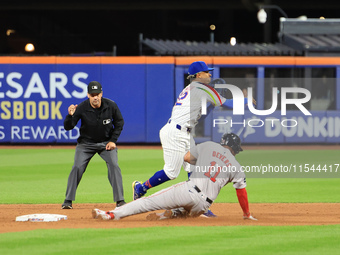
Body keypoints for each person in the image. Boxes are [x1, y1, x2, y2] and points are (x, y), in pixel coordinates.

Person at [132, 61, 253, 217]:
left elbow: (199, 118)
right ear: (198, 75)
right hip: (175, 132)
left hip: (184, 132)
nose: (209, 74)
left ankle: (199, 204)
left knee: (194, 166)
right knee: (171, 173)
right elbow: (228, 103)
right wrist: (245, 100)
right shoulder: (201, 88)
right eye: (206, 72)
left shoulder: (193, 89)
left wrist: (210, 107)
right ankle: (141, 188)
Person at [92, 133, 257, 221]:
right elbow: (241, 192)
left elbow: (186, 158)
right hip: (203, 207)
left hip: (189, 191)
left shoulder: (210, 146)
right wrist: (247, 214)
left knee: (147, 202)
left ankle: (111, 215)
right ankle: (167, 215)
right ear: (235, 148)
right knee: (182, 216)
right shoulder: (236, 166)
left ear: (223, 143)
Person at [61, 81, 126, 209]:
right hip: (86, 144)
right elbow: (68, 127)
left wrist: (113, 140)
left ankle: (120, 201)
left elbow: (119, 122)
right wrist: (70, 116)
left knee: (114, 165)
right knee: (77, 167)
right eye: (92, 94)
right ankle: (68, 200)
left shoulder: (111, 105)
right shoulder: (81, 107)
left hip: (106, 143)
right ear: (88, 95)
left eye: (97, 94)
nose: (95, 97)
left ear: (101, 94)